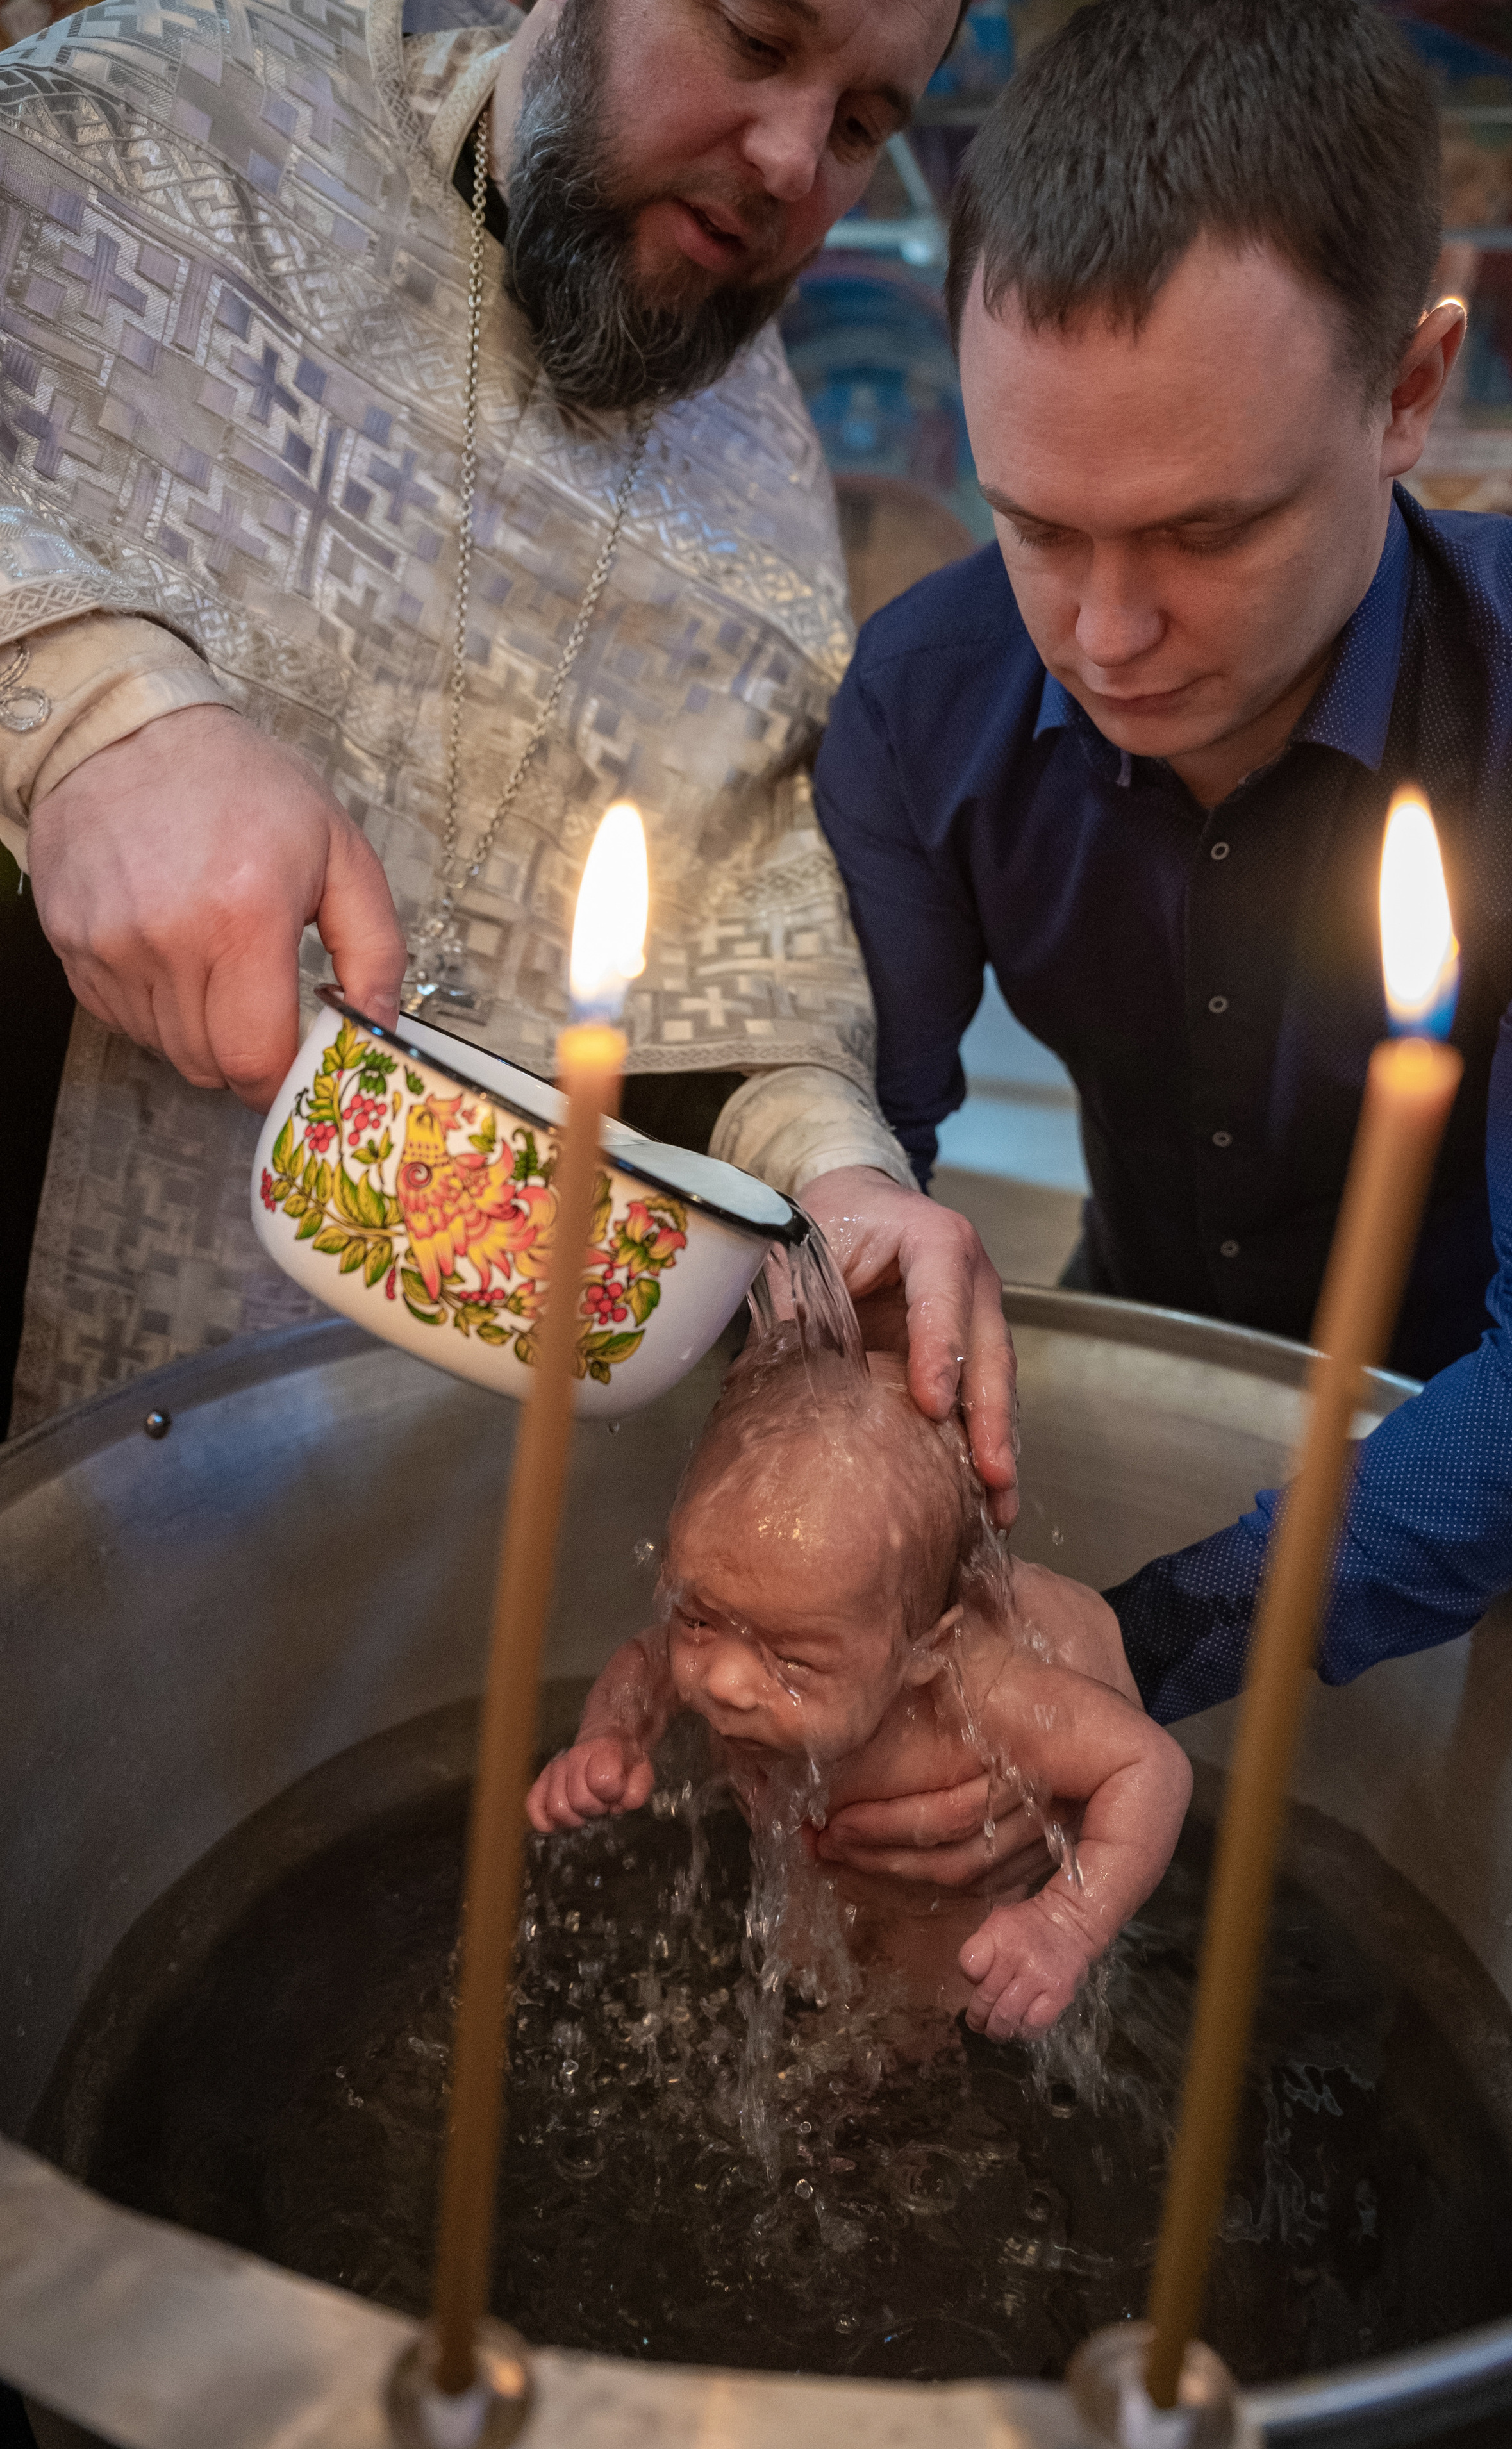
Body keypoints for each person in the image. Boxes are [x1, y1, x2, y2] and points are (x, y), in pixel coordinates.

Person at [0, 0, 1015, 1518]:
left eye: (864, 121)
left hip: (385, 1499)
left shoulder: (764, 487)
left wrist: (834, 1178)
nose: (793, 157)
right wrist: (82, 708)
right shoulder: (145, 124)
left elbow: (746, 972)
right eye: (751, 37)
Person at [812, 0, 1512, 1727]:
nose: (1106, 639)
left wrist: (1153, 1629)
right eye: (1036, 525)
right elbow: (859, 1162)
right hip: (1147, 1316)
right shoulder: (925, 703)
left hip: (1486, 1426)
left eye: (1210, 530)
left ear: (1408, 390)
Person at [527, 1331, 1191, 2039]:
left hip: (947, 1918)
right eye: (695, 1621)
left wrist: (1066, 1922)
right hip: (821, 1882)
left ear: (923, 1652)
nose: (721, 1680)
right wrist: (610, 1735)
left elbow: (1149, 1766)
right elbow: (644, 1660)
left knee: (921, 2025)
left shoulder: (984, 1697)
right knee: (797, 1983)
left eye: (794, 1661)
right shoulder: (762, 1613)